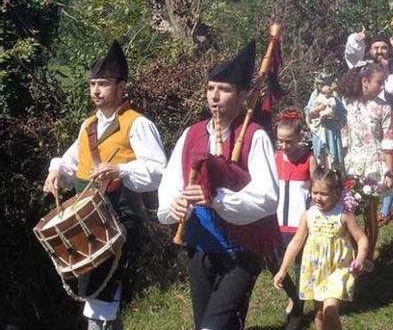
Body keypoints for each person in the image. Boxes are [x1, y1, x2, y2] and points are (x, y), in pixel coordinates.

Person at [43, 40, 167, 330]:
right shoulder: (88, 126)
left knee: (103, 299)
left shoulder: (137, 124)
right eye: (92, 84)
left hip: (119, 222)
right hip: (89, 228)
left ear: (121, 86)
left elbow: (159, 171)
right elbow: (72, 162)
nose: (96, 91)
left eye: (103, 84)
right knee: (101, 301)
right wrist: (56, 173)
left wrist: (121, 170)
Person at [157, 41, 279, 330]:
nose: (214, 96)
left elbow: (268, 196)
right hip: (200, 249)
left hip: (241, 251)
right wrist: (172, 204)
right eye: (211, 88)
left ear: (242, 97)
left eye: (223, 89)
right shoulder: (192, 134)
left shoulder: (254, 136)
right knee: (207, 325)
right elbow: (171, 181)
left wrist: (217, 200)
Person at [273, 167, 369, 330]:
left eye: (323, 193)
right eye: (315, 192)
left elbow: (361, 238)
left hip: (338, 269)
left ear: (336, 193)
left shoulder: (344, 214)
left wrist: (360, 258)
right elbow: (296, 242)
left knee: (330, 310)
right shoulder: (309, 214)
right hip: (315, 270)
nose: (318, 197)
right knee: (319, 314)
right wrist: (283, 270)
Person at [345, 32, 393, 223]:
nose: (379, 51)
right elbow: (350, 57)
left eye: (384, 47)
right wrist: (356, 40)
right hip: (367, 121)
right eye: (375, 48)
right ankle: (372, 203)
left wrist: (387, 75)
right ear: (370, 50)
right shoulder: (364, 67)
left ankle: (388, 205)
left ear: (390, 49)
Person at [336, 62, 393, 255]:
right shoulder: (347, 104)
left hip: (374, 166)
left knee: (371, 214)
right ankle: (355, 254)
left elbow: (387, 139)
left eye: (383, 82)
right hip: (352, 164)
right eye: (379, 83)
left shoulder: (383, 108)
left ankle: (368, 257)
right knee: (350, 211)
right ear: (365, 81)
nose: (382, 87)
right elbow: (344, 136)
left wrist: (389, 170)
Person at [268, 109, 317, 329]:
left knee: (300, 268)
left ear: (299, 138)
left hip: (300, 225)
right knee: (274, 264)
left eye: (288, 141)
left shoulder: (309, 160)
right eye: (280, 141)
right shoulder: (276, 158)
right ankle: (294, 297)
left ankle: (297, 314)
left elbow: (318, 191)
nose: (284, 146)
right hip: (276, 223)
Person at [306, 73, 345, 170]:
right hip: (319, 128)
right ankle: (321, 171)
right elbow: (308, 113)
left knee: (332, 154)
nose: (320, 86)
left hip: (331, 129)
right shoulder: (314, 96)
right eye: (318, 84)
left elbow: (342, 114)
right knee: (320, 154)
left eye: (322, 84)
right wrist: (317, 110)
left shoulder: (334, 97)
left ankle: (333, 171)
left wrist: (333, 116)